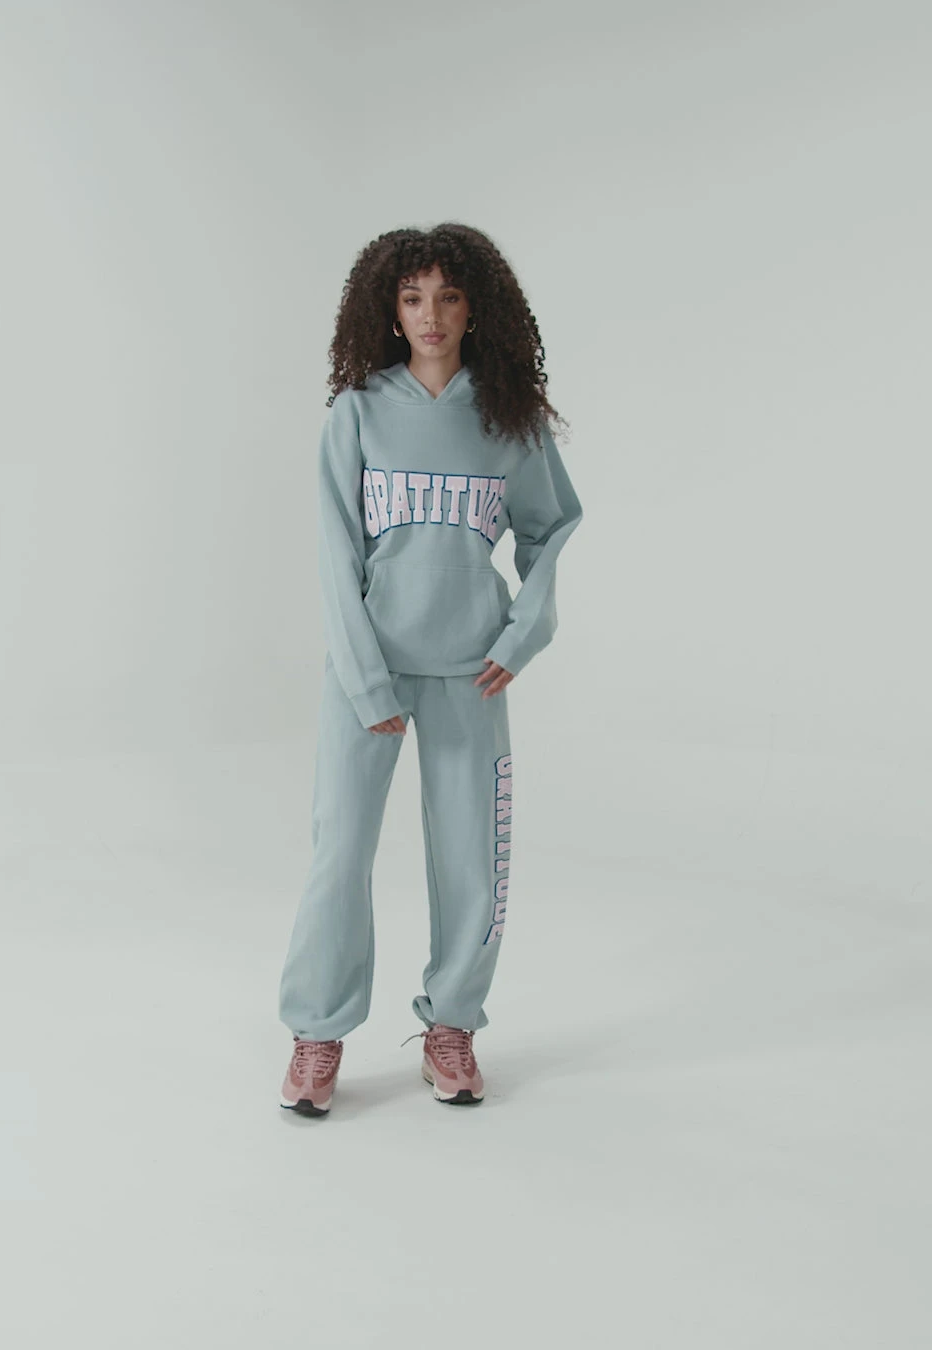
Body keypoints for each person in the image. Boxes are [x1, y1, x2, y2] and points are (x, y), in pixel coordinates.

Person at [278, 222, 583, 1116]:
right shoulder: (358, 413)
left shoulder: (506, 419)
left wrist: (520, 636)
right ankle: (317, 1033)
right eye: (413, 298)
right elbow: (336, 553)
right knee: (340, 852)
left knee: (471, 859)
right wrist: (365, 677)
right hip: (366, 671)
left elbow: (553, 528)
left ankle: (452, 1026)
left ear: (474, 308)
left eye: (449, 296)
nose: (431, 315)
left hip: (469, 672)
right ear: (390, 309)